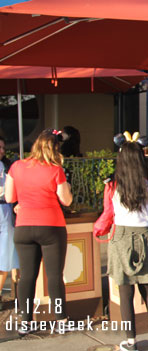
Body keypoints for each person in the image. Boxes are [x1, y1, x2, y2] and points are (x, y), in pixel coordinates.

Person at [104, 141, 148, 351]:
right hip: (145, 236)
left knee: (125, 292)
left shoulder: (112, 186)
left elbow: (108, 213)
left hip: (121, 235)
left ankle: (130, 342)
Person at [4, 129, 73, 333]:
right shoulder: (55, 170)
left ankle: (26, 322)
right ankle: (61, 321)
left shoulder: (16, 166)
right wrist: (66, 185)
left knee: (26, 276)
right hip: (51, 226)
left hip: (24, 227)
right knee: (54, 276)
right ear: (55, 149)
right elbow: (66, 200)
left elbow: (9, 198)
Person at [0, 136, 18, 300]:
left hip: (5, 209)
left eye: (3, 147)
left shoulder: (8, 165)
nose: (2, 151)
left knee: (5, 255)